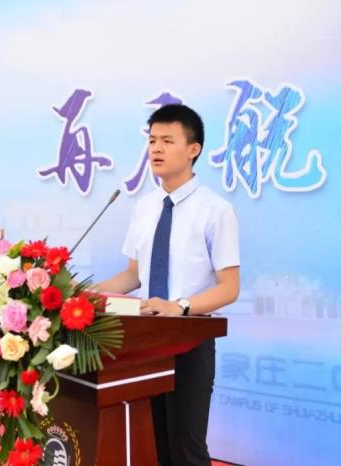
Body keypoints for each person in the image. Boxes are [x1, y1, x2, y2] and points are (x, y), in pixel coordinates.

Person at [95, 104, 240, 465]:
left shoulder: (216, 209)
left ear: (193, 149)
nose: (156, 149)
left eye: (167, 141)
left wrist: (180, 307)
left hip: (189, 338)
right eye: (152, 140)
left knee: (186, 449)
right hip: (144, 340)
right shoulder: (145, 207)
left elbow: (229, 288)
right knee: (153, 445)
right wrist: (87, 295)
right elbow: (133, 275)